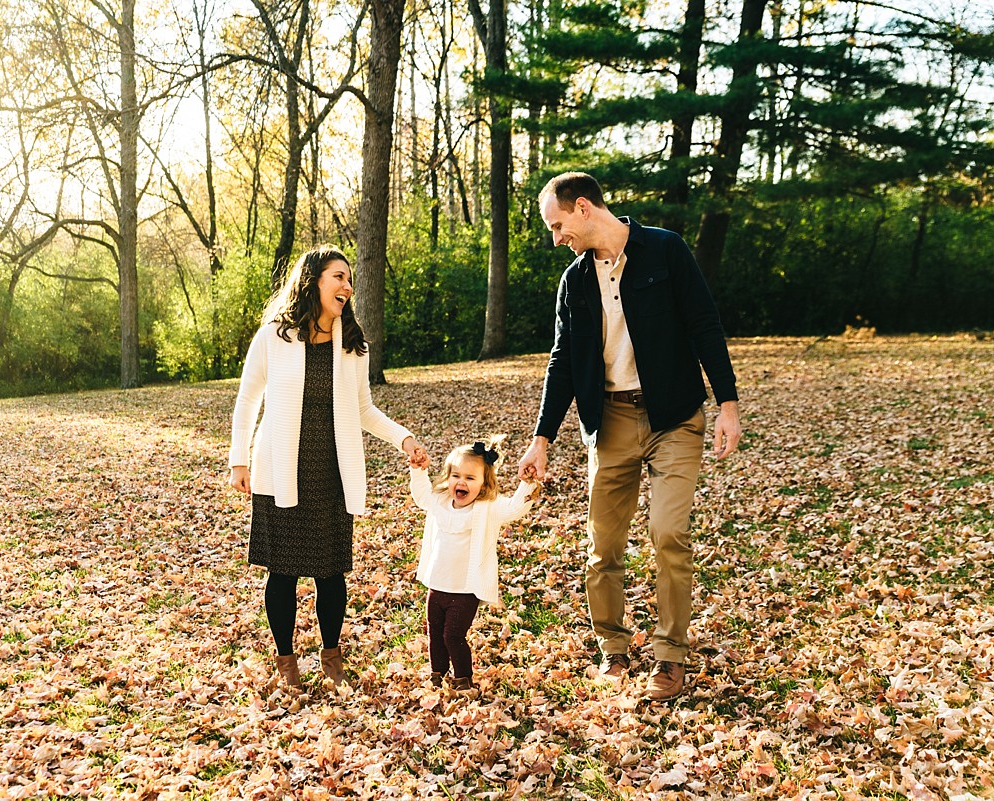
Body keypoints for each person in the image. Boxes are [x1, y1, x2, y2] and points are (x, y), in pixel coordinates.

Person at [518, 172, 742, 702]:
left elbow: (705, 325)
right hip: (610, 422)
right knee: (604, 546)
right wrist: (542, 437)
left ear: (583, 209)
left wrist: (727, 406)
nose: (556, 238)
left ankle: (669, 657)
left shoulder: (665, 251)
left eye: (557, 225)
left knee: (668, 533)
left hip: (675, 418)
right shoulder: (574, 283)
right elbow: (562, 362)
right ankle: (613, 647)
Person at [228, 245, 429, 691]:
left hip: (331, 470)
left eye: (349, 278)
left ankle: (331, 654)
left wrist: (404, 438)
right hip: (280, 467)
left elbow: (363, 409)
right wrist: (238, 459)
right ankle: (285, 659)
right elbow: (247, 400)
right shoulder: (273, 337)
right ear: (313, 280)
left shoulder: (353, 344)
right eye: (338, 276)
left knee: (330, 571)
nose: (347, 285)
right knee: (281, 571)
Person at [410, 437, 540, 694]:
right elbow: (421, 495)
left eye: (470, 478)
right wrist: (418, 469)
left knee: (452, 636)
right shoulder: (439, 501)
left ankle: (463, 679)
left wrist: (527, 484)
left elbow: (515, 509)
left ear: (483, 485)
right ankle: (437, 674)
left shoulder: (486, 508)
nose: (461, 482)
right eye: (456, 475)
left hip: (465, 589)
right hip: (438, 585)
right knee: (435, 635)